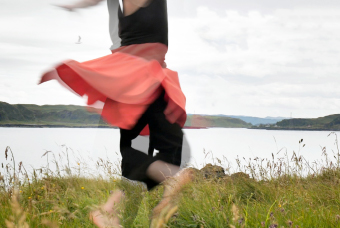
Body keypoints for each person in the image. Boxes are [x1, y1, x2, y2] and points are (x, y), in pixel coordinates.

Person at [40, 0, 193, 227]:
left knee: (157, 153)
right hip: (136, 79)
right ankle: (130, 202)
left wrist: (77, 6)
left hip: (147, 78)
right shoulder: (131, 13)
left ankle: (113, 209)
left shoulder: (131, 14)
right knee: (152, 153)